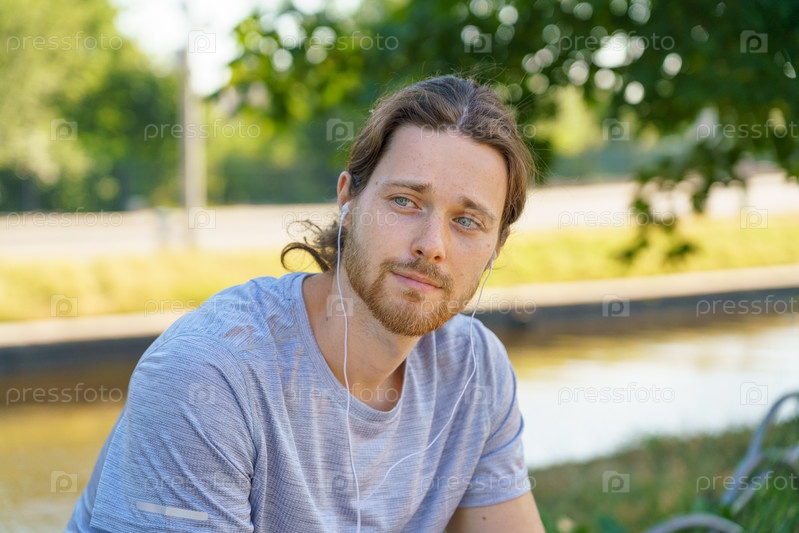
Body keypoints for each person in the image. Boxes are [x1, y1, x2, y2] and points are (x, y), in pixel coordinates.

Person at [67, 75, 546, 532]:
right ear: (348, 201)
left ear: (496, 247)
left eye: (467, 221)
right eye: (404, 201)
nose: (431, 245)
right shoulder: (209, 376)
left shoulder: (475, 370)